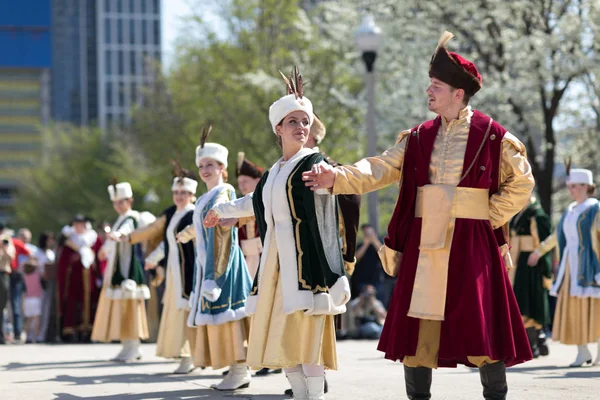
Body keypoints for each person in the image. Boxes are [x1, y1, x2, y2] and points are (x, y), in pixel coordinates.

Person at [302, 31, 534, 400]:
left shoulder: (493, 136)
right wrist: (337, 177)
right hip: (425, 242)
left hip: (472, 241)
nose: (429, 91)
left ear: (458, 93)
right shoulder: (418, 137)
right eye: (430, 85)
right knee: (418, 326)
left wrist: (485, 215)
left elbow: (522, 183)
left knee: (481, 322)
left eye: (437, 86)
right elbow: (378, 167)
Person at [204, 68, 351, 399]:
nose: (302, 128)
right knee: (282, 340)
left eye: (305, 121)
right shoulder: (274, 172)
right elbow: (253, 203)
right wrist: (221, 211)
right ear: (278, 128)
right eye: (293, 122)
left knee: (307, 342)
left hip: (307, 268)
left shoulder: (315, 164)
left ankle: (314, 397)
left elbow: (327, 219)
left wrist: (337, 273)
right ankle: (301, 396)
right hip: (273, 269)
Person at [177, 126, 253, 390]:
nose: (206, 169)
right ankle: (235, 368)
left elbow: (222, 237)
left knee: (229, 317)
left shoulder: (223, 193)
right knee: (224, 318)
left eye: (211, 164)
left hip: (224, 264)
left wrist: (214, 276)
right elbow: (202, 231)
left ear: (222, 167)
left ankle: (240, 369)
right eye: (202, 165)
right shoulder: (205, 198)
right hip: (211, 264)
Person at [126, 165, 198, 374]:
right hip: (175, 270)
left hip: (189, 270)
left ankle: (191, 356)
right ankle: (184, 355)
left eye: (184, 193)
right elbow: (167, 243)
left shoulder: (193, 214)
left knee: (187, 311)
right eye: (176, 192)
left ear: (192, 195)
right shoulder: (172, 214)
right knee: (177, 311)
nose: (179, 196)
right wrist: (153, 259)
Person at [528, 168, 600, 367]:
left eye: (574, 186)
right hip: (570, 267)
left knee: (595, 309)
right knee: (573, 310)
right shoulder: (570, 210)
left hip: (590, 266)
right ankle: (582, 351)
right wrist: (539, 251)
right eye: (569, 187)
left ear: (586, 186)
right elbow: (557, 237)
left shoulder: (595, 209)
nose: (571, 190)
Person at [91, 181, 155, 361]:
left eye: (122, 202)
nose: (118, 206)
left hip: (129, 269)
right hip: (119, 268)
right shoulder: (121, 218)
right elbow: (114, 239)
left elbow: (126, 231)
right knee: (122, 308)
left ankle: (133, 346)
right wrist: (106, 248)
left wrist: (116, 236)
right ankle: (128, 346)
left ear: (130, 200)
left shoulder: (132, 217)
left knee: (130, 308)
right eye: (116, 202)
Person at [509, 197, 552, 357]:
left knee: (529, 300)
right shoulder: (519, 212)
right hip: (518, 263)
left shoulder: (536, 214)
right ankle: (536, 342)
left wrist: (539, 258)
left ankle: (533, 344)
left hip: (530, 264)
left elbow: (544, 241)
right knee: (521, 300)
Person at [57, 214, 99, 342]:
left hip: (89, 276)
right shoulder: (70, 240)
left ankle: (87, 331)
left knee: (89, 300)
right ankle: (71, 331)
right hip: (73, 278)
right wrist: (72, 260)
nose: (77, 226)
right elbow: (63, 261)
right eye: (75, 224)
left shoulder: (92, 238)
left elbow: (98, 256)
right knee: (72, 302)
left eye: (80, 224)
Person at [352, 225, 385, 299]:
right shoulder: (360, 245)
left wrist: (374, 241)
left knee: (379, 302)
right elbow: (356, 258)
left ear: (375, 234)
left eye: (370, 233)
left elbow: (384, 255)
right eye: (366, 234)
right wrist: (366, 244)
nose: (368, 236)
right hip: (362, 280)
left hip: (377, 280)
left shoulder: (379, 245)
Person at [35, 231, 57, 343]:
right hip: (39, 283)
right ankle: (37, 335)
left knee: (48, 309)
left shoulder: (51, 253)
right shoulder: (37, 252)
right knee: (39, 309)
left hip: (50, 282)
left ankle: (45, 334)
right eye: (49, 239)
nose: (51, 241)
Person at [22, 258, 44, 343]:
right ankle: (38, 336)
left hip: (28, 299)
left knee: (29, 319)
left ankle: (28, 336)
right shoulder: (37, 275)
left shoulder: (25, 276)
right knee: (37, 319)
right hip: (36, 299)